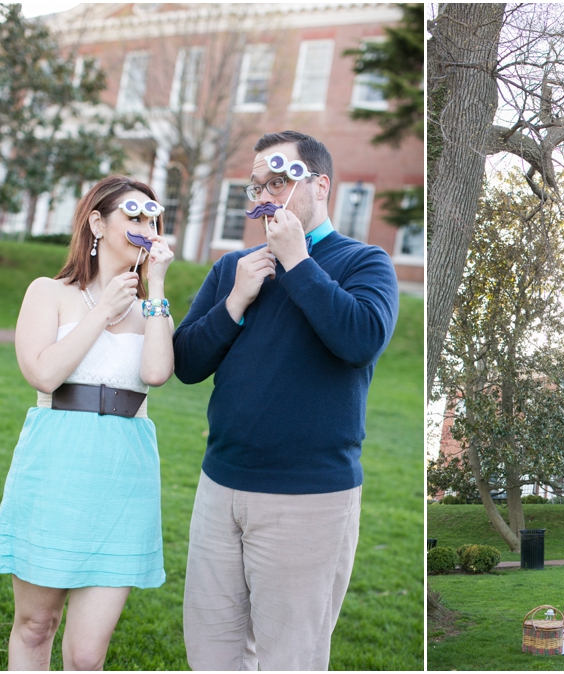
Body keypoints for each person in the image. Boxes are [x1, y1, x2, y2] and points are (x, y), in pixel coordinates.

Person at [173, 130, 399, 671]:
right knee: (212, 652)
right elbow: (185, 362)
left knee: (288, 657)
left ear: (320, 185)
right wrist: (234, 303)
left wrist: (297, 261)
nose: (266, 195)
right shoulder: (234, 267)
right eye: (258, 186)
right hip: (220, 485)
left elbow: (360, 339)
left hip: (308, 497)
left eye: (280, 180)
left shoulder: (364, 263)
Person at [0, 175, 175, 670]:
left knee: (88, 654)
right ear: (97, 222)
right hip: (55, 469)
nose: (144, 226)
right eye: (132, 215)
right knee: (35, 626)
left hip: (123, 478)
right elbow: (44, 373)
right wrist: (102, 313)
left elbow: (157, 373)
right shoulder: (48, 292)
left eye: (150, 217)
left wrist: (152, 288)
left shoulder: (151, 309)